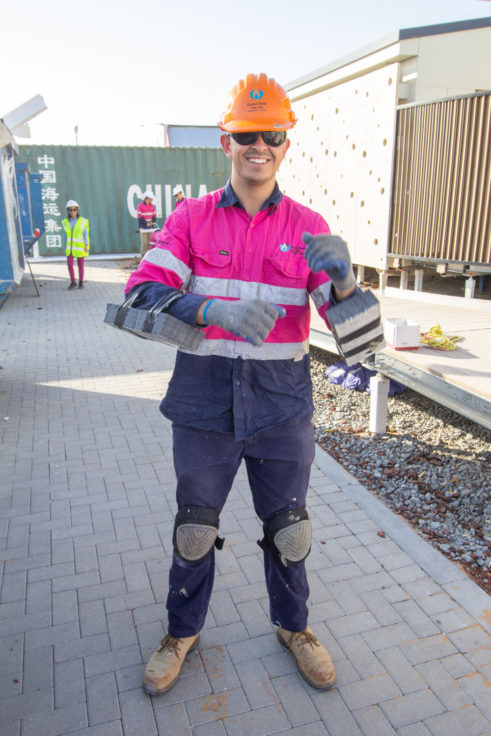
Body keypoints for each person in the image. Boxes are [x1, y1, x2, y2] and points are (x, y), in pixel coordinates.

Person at [124, 72, 365, 696]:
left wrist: (343, 284)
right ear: (226, 142)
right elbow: (137, 297)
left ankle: (295, 628)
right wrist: (208, 310)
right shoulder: (192, 219)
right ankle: (181, 632)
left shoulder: (309, 226)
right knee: (195, 527)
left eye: (273, 135)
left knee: (289, 529)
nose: (261, 146)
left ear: (287, 144)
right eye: (248, 134)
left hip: (282, 409)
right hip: (204, 403)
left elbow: (362, 345)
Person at [61, 200, 90, 289]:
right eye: (70, 210)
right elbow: (64, 235)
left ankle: (81, 282)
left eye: (74, 210)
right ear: (68, 211)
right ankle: (73, 281)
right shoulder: (65, 222)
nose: (72, 212)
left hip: (80, 247)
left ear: (77, 210)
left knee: (80, 265)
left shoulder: (83, 221)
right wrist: (64, 246)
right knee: (69, 264)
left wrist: (86, 245)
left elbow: (85, 234)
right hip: (70, 248)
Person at [137, 190, 157, 257]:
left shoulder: (152, 206)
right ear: (147, 198)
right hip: (143, 228)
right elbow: (140, 217)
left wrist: (151, 222)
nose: (152, 200)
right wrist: (146, 224)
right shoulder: (140, 206)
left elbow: (154, 216)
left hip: (150, 228)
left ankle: (149, 257)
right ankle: (143, 257)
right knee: (144, 243)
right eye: (151, 199)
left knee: (150, 243)